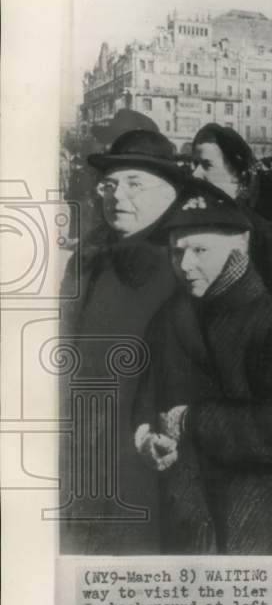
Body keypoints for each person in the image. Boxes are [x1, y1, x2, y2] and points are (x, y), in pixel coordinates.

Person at [134, 178, 272, 554]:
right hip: (184, 517)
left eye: (200, 250)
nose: (185, 265)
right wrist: (147, 438)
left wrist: (193, 421)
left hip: (253, 521)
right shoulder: (167, 319)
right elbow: (146, 393)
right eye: (175, 251)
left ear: (240, 248)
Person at [59, 127, 186, 554]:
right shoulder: (94, 255)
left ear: (169, 193)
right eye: (110, 184)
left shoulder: (184, 261)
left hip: (142, 455)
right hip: (84, 444)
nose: (117, 196)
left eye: (134, 184)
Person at [191, 124, 272, 298]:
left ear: (236, 172)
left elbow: (270, 301)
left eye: (206, 165)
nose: (195, 174)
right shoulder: (188, 223)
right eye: (195, 164)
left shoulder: (259, 230)